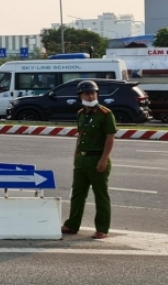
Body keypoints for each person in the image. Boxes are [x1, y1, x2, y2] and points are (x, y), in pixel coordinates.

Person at [61, 80, 116, 239]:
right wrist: (76, 155)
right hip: (82, 159)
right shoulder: (81, 114)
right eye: (87, 93)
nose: (91, 96)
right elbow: (80, 135)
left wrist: (104, 159)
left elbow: (110, 137)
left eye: (93, 93)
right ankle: (72, 224)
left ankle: (102, 229)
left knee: (101, 195)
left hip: (97, 158)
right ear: (80, 96)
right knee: (77, 194)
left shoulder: (105, 114)